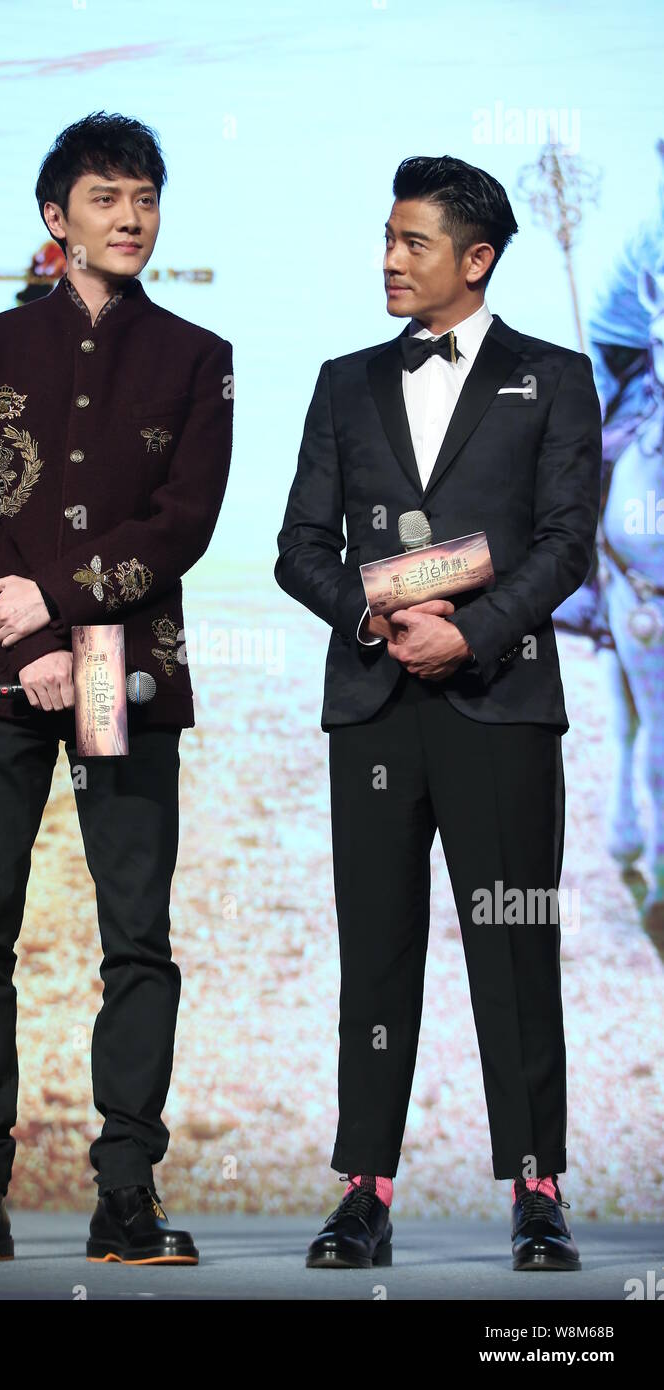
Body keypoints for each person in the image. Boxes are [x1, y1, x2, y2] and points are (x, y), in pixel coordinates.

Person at [0, 112, 234, 1265]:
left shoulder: (199, 355)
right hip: (0, 664)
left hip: (125, 665)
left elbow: (182, 523)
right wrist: (29, 633)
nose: (132, 217)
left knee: (136, 937)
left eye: (145, 196)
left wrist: (54, 608)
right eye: (106, 197)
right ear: (57, 218)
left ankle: (125, 1197)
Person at [275, 154, 601, 1272]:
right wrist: (375, 623)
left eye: (411, 241)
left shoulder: (552, 377)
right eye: (384, 236)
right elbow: (298, 547)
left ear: (475, 257)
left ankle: (535, 1188)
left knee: (512, 946)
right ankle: (361, 1190)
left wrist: (473, 630)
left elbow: (565, 540)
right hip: (371, 704)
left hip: (498, 701)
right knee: (374, 951)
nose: (387, 258)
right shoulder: (342, 380)